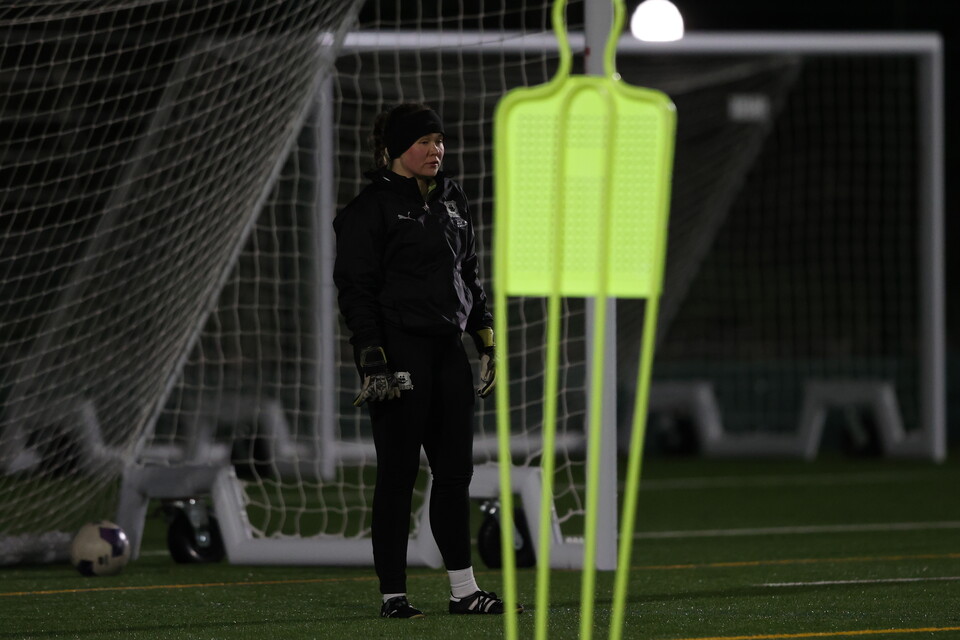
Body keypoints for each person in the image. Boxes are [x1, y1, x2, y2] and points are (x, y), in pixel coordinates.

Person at [333, 103, 521, 619]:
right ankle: (394, 596)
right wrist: (371, 356)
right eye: (423, 142)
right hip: (399, 351)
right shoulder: (368, 209)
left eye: (439, 140)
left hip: (446, 351)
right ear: (394, 150)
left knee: (455, 473)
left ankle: (464, 591)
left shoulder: (453, 199)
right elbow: (356, 290)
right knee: (397, 474)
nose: (436, 150)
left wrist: (484, 336)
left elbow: (470, 273)